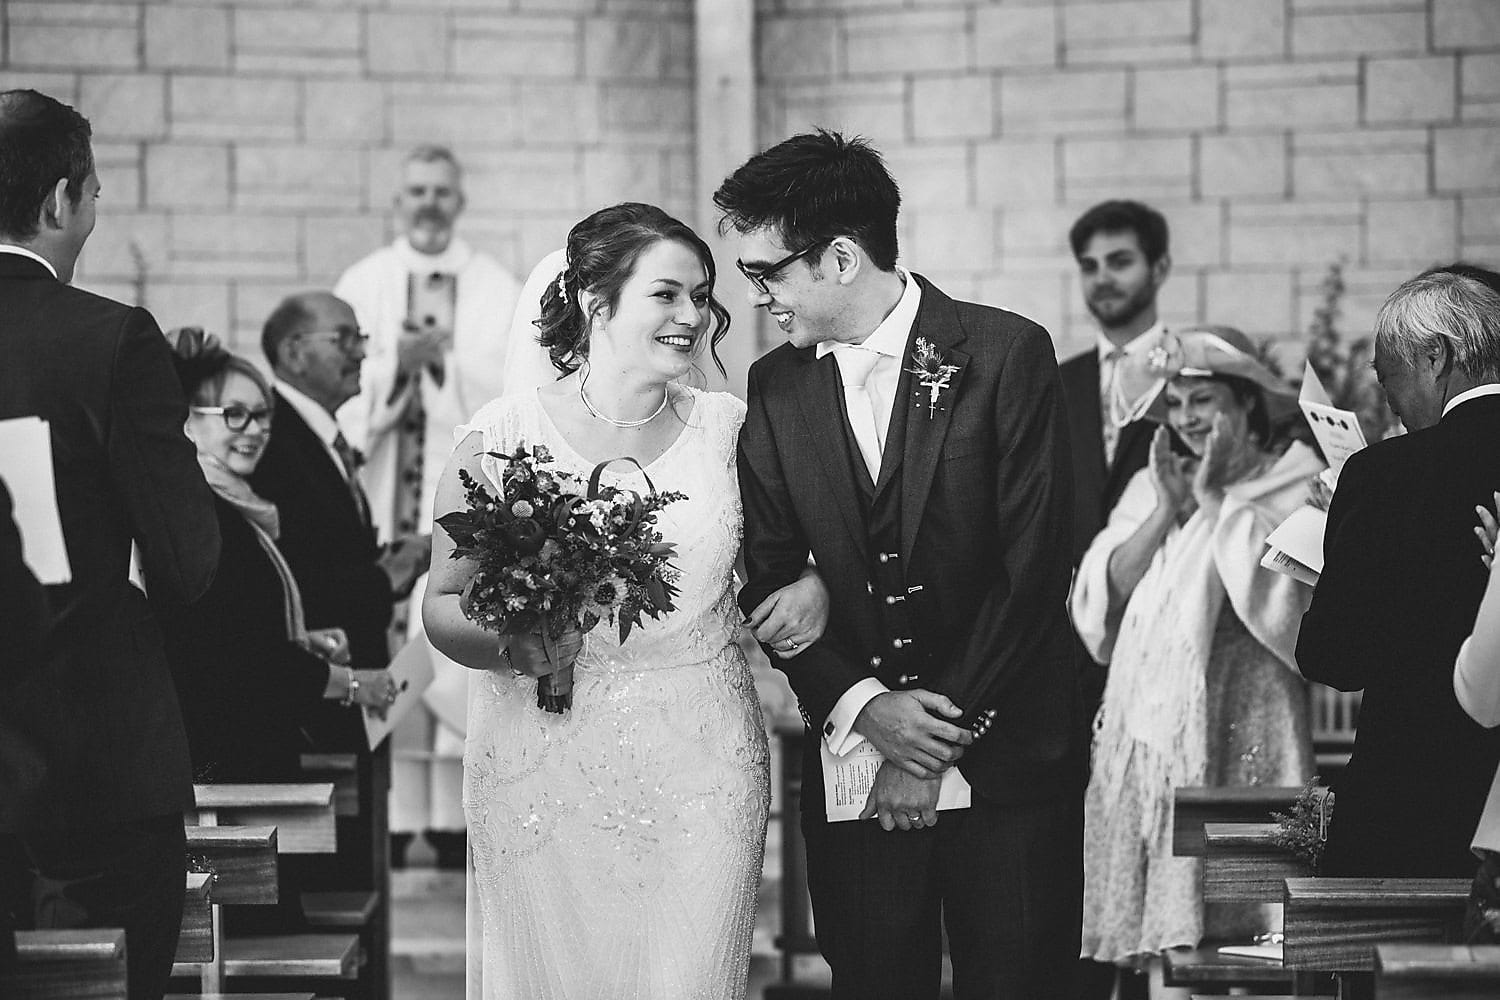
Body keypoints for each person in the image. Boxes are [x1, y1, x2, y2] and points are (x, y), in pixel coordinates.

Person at [423, 202, 827, 999]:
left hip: (702, 767)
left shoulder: (732, 431)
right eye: (667, 294)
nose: (693, 315)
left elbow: (793, 557)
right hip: (541, 765)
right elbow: (443, 602)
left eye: (703, 296)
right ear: (595, 300)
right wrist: (511, 641)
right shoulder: (501, 437)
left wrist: (814, 582)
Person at [724, 130, 1083, 1000]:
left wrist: (924, 748)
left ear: (841, 257)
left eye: (765, 272)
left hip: (1007, 766)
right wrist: (864, 707)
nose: (758, 296)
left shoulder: (1006, 354)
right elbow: (770, 575)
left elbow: (1034, 568)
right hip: (855, 773)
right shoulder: (774, 386)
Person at [0, 89, 221, 1000]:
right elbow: (189, 559)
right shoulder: (107, 338)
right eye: (92, 192)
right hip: (91, 749)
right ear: (60, 201)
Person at [1069, 327, 1320, 991]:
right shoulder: (1156, 483)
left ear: (1245, 405)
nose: (1186, 419)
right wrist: (1170, 510)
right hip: (1160, 751)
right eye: (1174, 405)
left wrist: (1218, 504)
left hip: (1250, 723)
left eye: (1202, 399)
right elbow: (1100, 596)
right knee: (1171, 952)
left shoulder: (1295, 479)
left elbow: (1289, 608)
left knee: (1254, 938)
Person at [334, 145, 522, 867]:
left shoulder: (492, 284)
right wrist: (393, 370)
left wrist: (442, 364)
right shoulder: (366, 281)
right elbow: (338, 391)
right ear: (397, 201)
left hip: (461, 502)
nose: (429, 203)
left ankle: (451, 827)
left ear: (460, 199)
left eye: (442, 191)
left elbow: (506, 384)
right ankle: (397, 819)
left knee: (455, 650)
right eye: (416, 191)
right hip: (385, 501)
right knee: (388, 642)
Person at [1297, 266, 1500, 878]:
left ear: (1435, 356)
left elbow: (1335, 657)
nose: (1394, 406)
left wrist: (1338, 542)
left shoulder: (1383, 475)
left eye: (1390, 383)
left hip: (1414, 805)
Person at [159, 329, 400, 783]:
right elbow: (246, 661)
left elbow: (235, 632)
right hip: (226, 762)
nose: (255, 431)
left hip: (247, 748)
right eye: (235, 415)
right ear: (187, 422)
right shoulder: (204, 518)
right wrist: (351, 684)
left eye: (262, 417)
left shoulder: (235, 508)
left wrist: (301, 640)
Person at [251, 292, 427, 752]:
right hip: (317, 703)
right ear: (293, 352)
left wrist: (389, 564)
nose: (361, 353)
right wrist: (381, 579)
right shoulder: (272, 442)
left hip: (354, 692)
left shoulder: (316, 433)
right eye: (344, 339)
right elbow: (291, 576)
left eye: (361, 339)